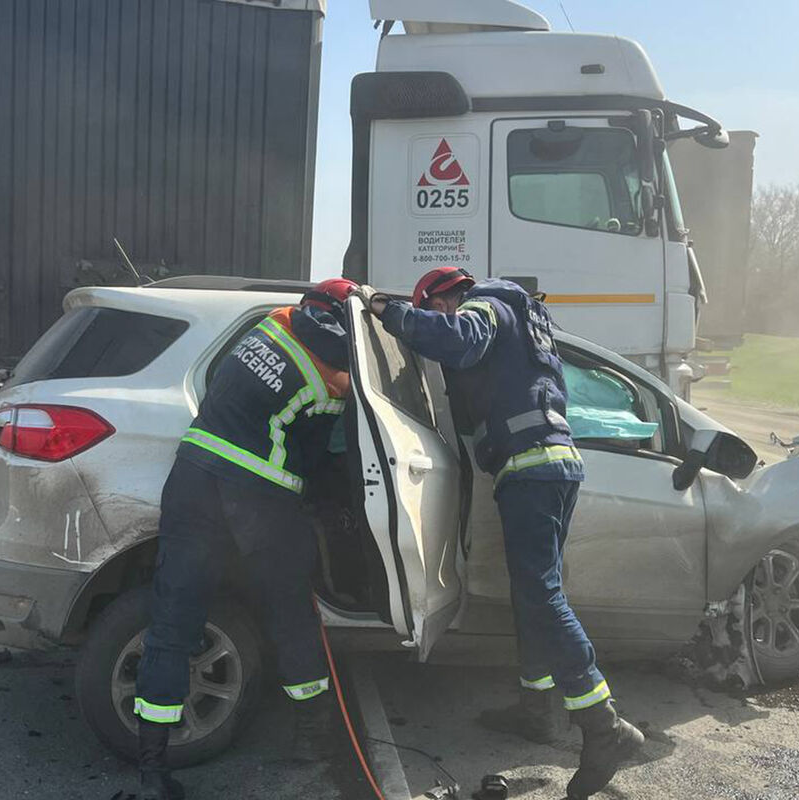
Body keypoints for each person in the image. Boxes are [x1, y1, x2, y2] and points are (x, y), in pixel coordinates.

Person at [361, 267, 644, 800]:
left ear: (447, 296)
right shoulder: (525, 319)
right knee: (532, 593)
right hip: (551, 464)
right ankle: (536, 708)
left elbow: (461, 340)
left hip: (532, 469)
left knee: (541, 595)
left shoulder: (485, 302)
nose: (441, 318)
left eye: (436, 308)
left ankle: (604, 728)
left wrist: (387, 310)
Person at [135, 278, 358, 799]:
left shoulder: (270, 325)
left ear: (308, 306)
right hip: (260, 500)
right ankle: (313, 736)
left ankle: (151, 766)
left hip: (192, 480)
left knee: (173, 617)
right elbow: (320, 461)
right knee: (289, 612)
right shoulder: (334, 380)